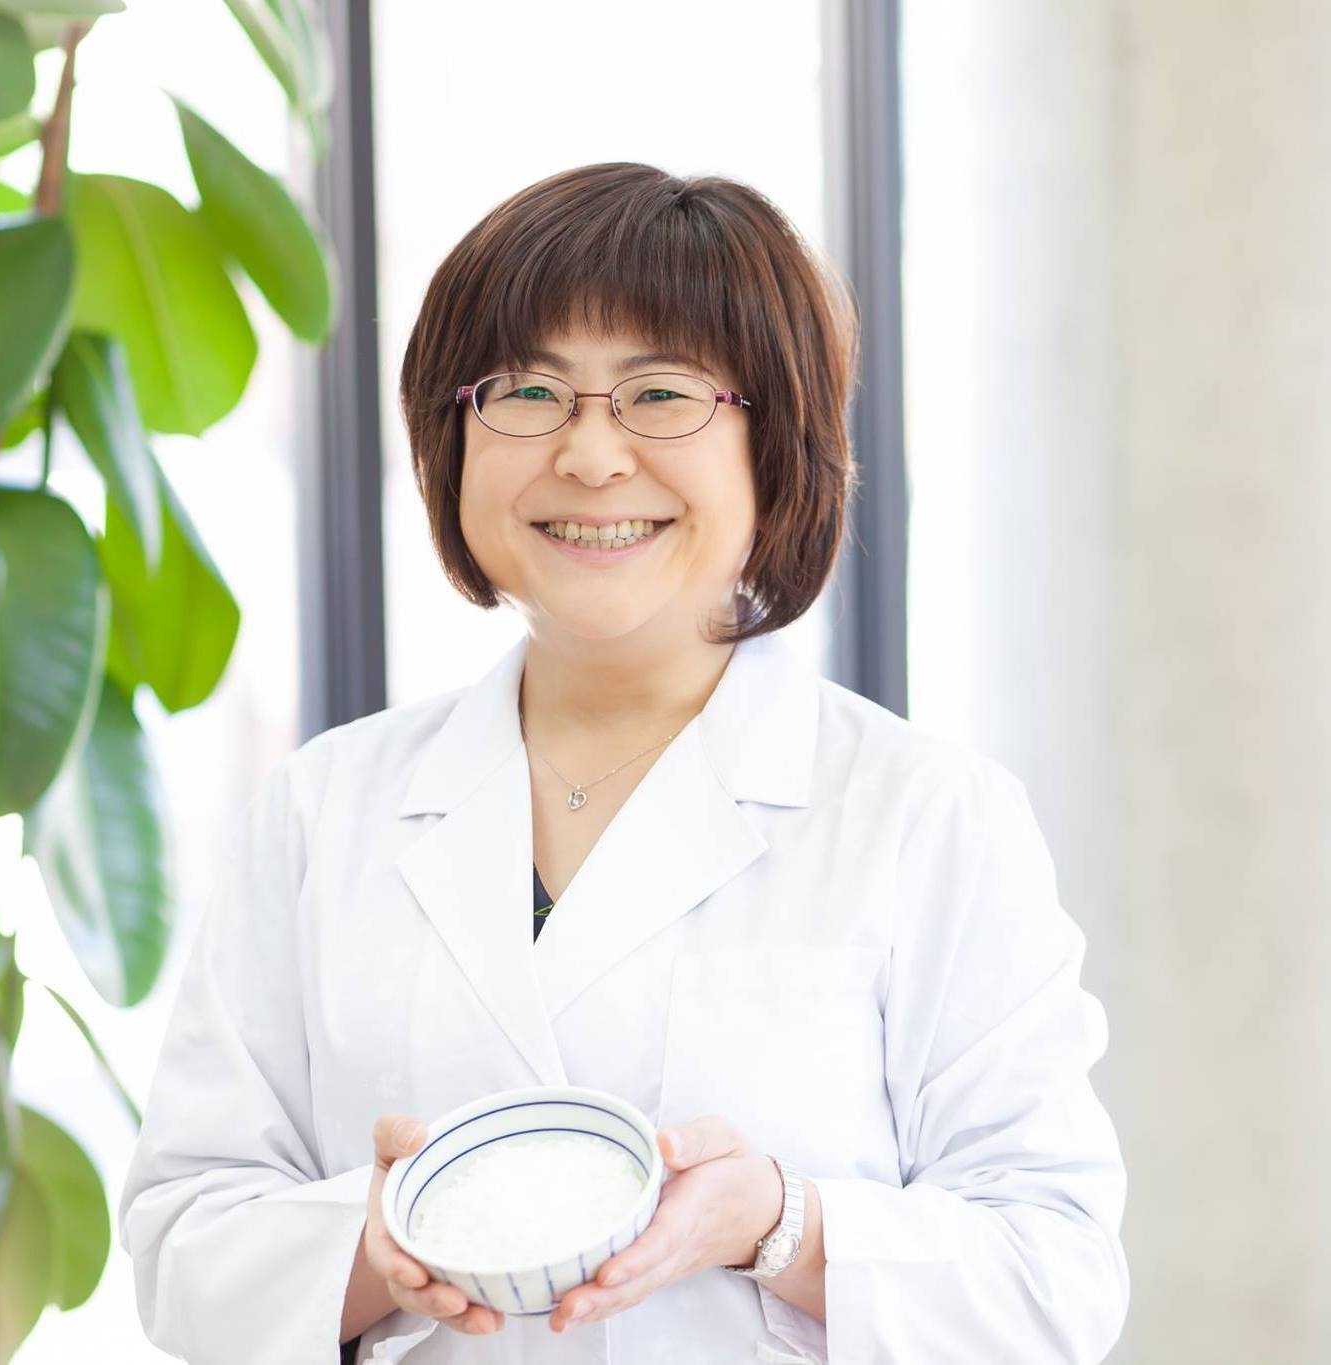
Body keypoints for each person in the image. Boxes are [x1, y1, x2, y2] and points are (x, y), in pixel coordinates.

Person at [117, 162, 1129, 1364]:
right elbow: (184, 1248)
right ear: (452, 437)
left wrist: (777, 1225)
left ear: (775, 445)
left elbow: (1055, 1278)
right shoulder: (321, 809)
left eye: (660, 394)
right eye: (528, 391)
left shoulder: (928, 815)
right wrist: (376, 1242)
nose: (592, 456)